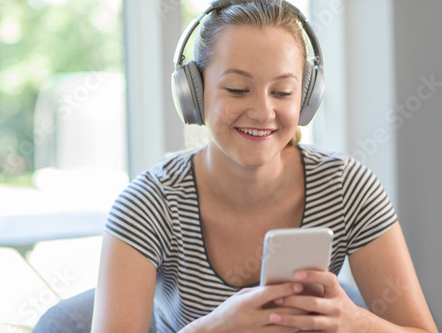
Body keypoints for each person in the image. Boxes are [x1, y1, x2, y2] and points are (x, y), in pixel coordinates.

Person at [91, 1, 437, 332]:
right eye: (238, 89)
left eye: (283, 92)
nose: (263, 112)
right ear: (194, 93)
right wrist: (213, 328)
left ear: (307, 97)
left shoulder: (346, 187)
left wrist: (356, 323)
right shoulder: (149, 205)